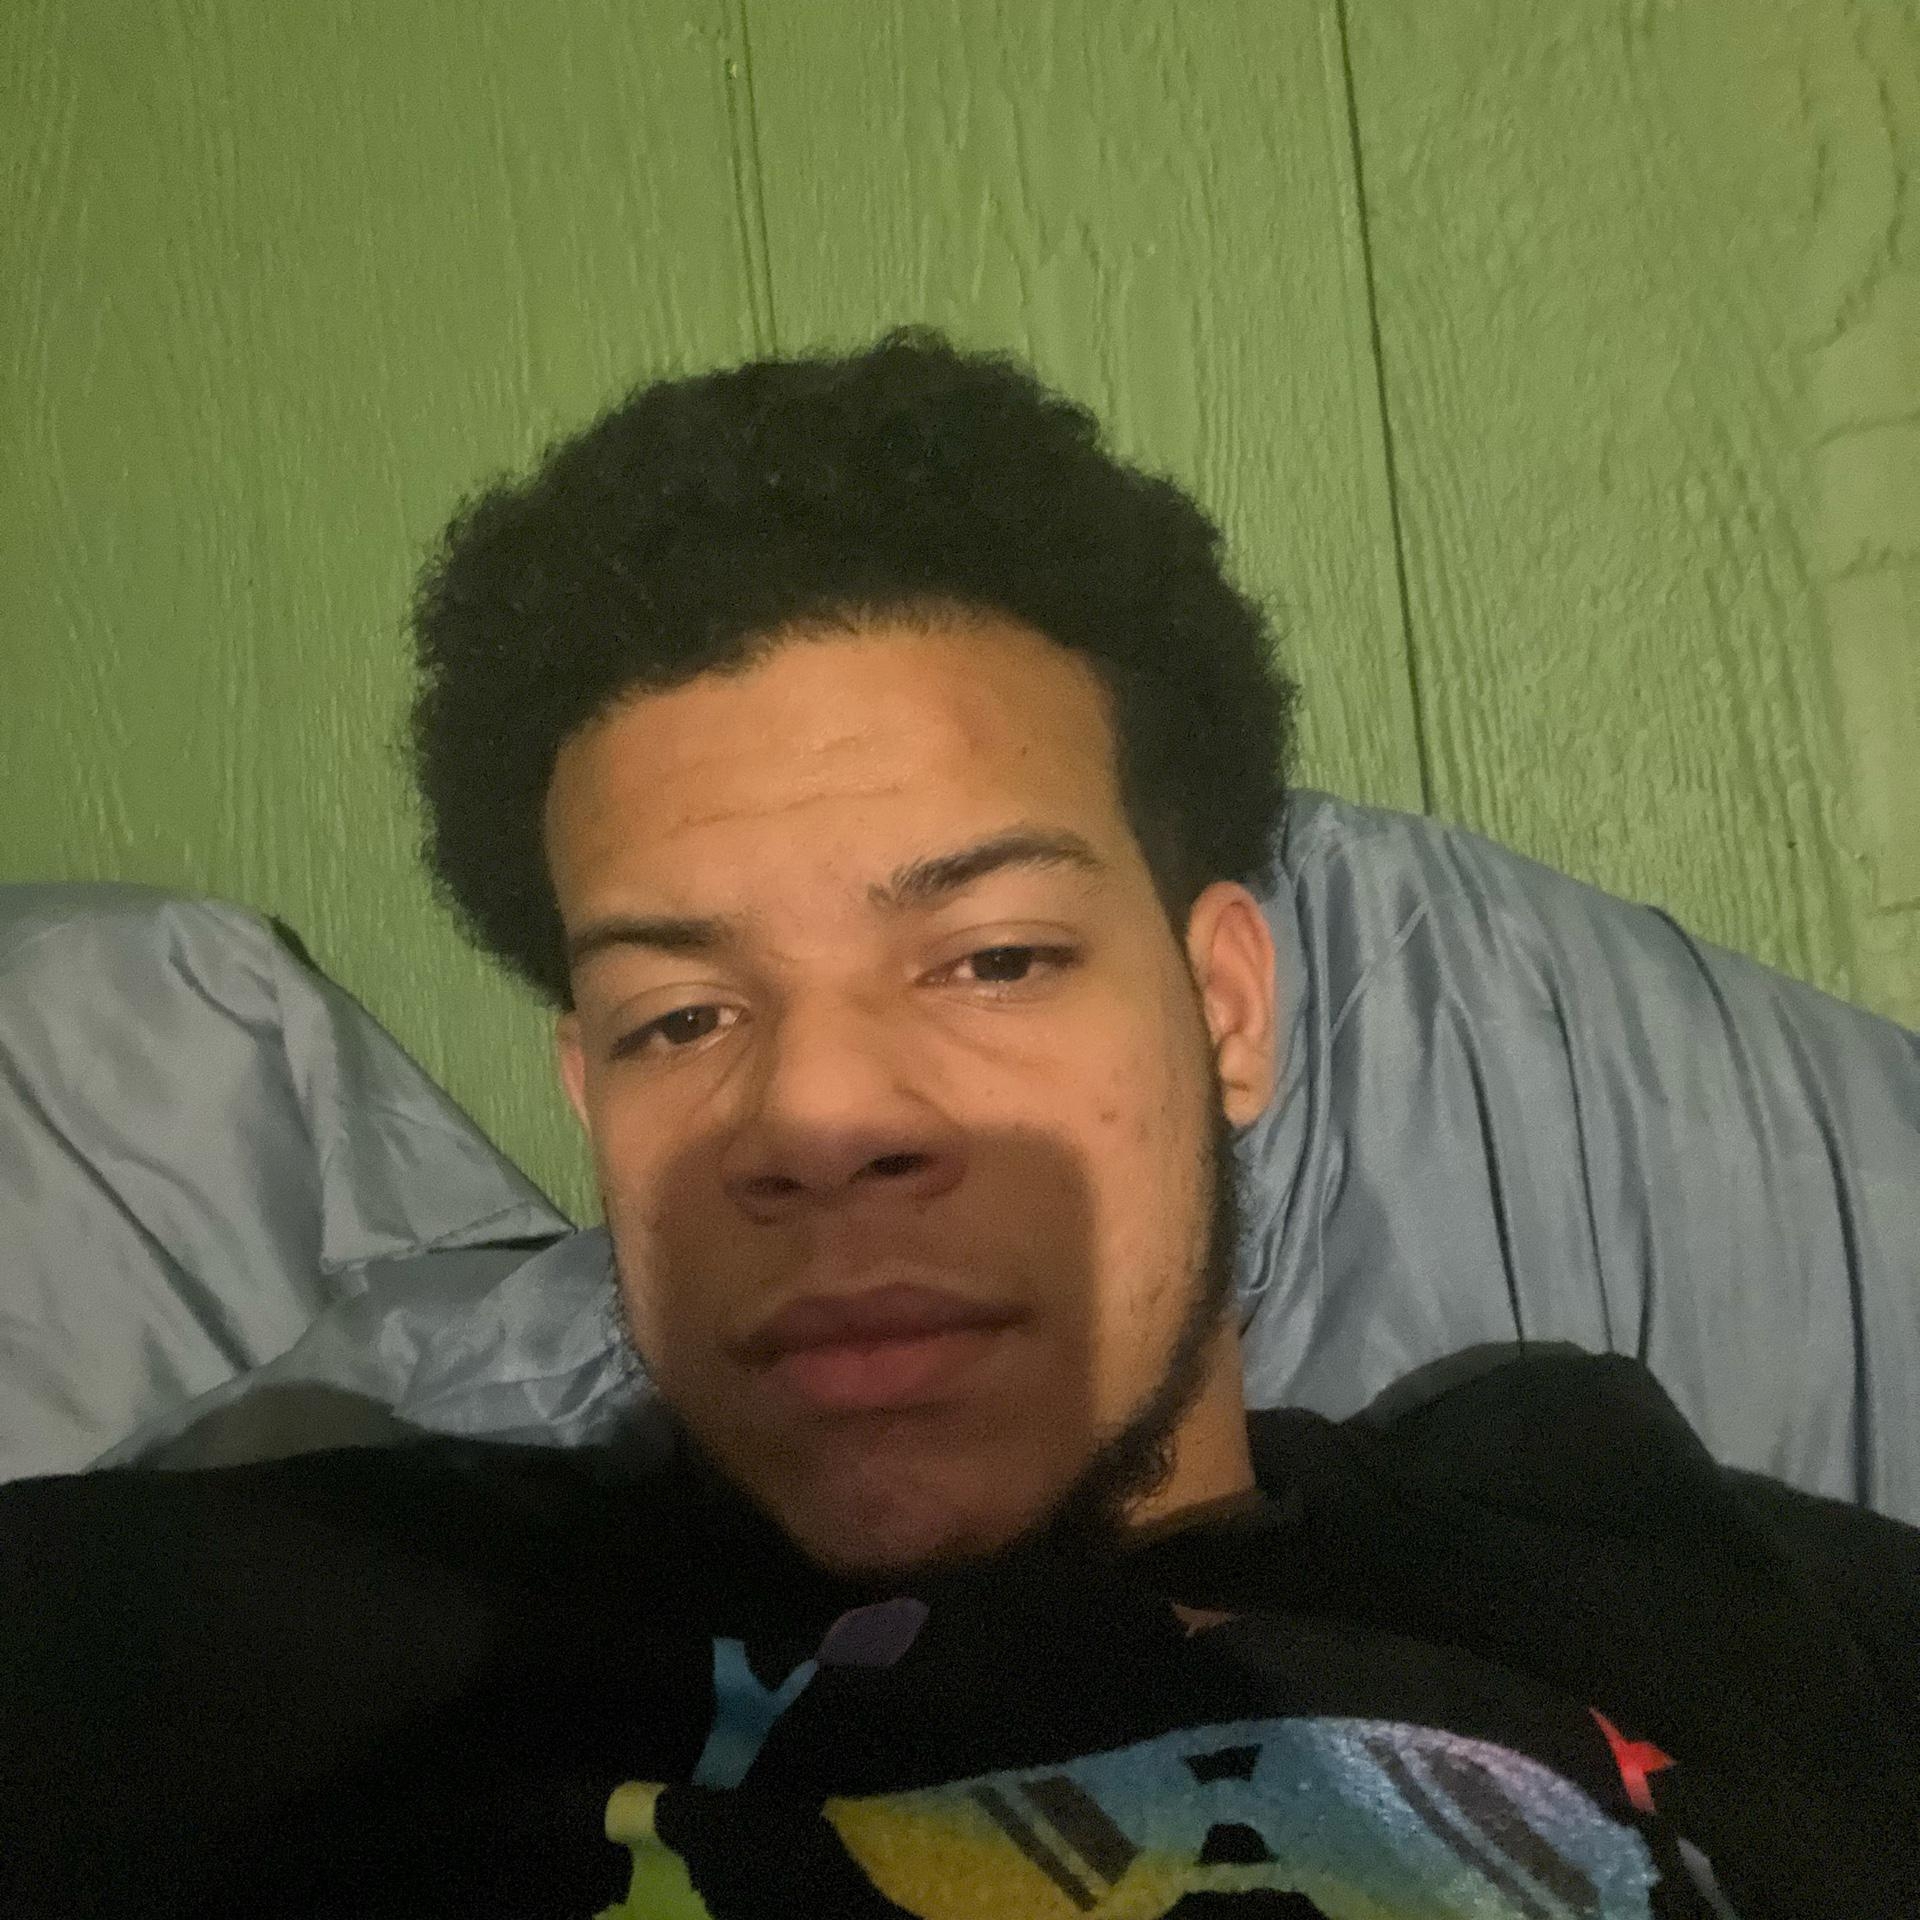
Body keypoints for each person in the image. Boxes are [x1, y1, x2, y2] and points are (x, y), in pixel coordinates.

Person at [4, 329, 1917, 1920]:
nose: (819, 1115)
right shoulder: (276, 1646)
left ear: (1227, 1011)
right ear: (592, 1097)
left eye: (994, 958)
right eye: (682, 1016)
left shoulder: (1681, 1572)